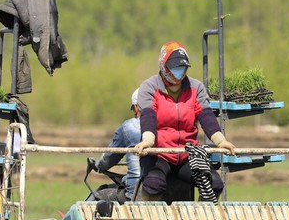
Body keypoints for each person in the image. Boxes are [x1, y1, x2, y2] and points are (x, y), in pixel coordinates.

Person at [132, 41, 236, 202]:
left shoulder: (196, 88)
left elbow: (206, 117)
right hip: (159, 154)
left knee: (214, 184)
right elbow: (148, 117)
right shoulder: (149, 87)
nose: (179, 73)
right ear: (163, 67)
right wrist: (147, 141)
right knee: (154, 184)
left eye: (182, 69)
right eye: (175, 69)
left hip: (187, 154)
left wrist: (221, 141)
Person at [91, 89, 142, 202]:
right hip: (168, 191)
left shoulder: (129, 127)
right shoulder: (171, 128)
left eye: (133, 109)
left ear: (137, 107)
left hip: (136, 194)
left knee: (97, 194)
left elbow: (109, 158)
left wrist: (97, 165)